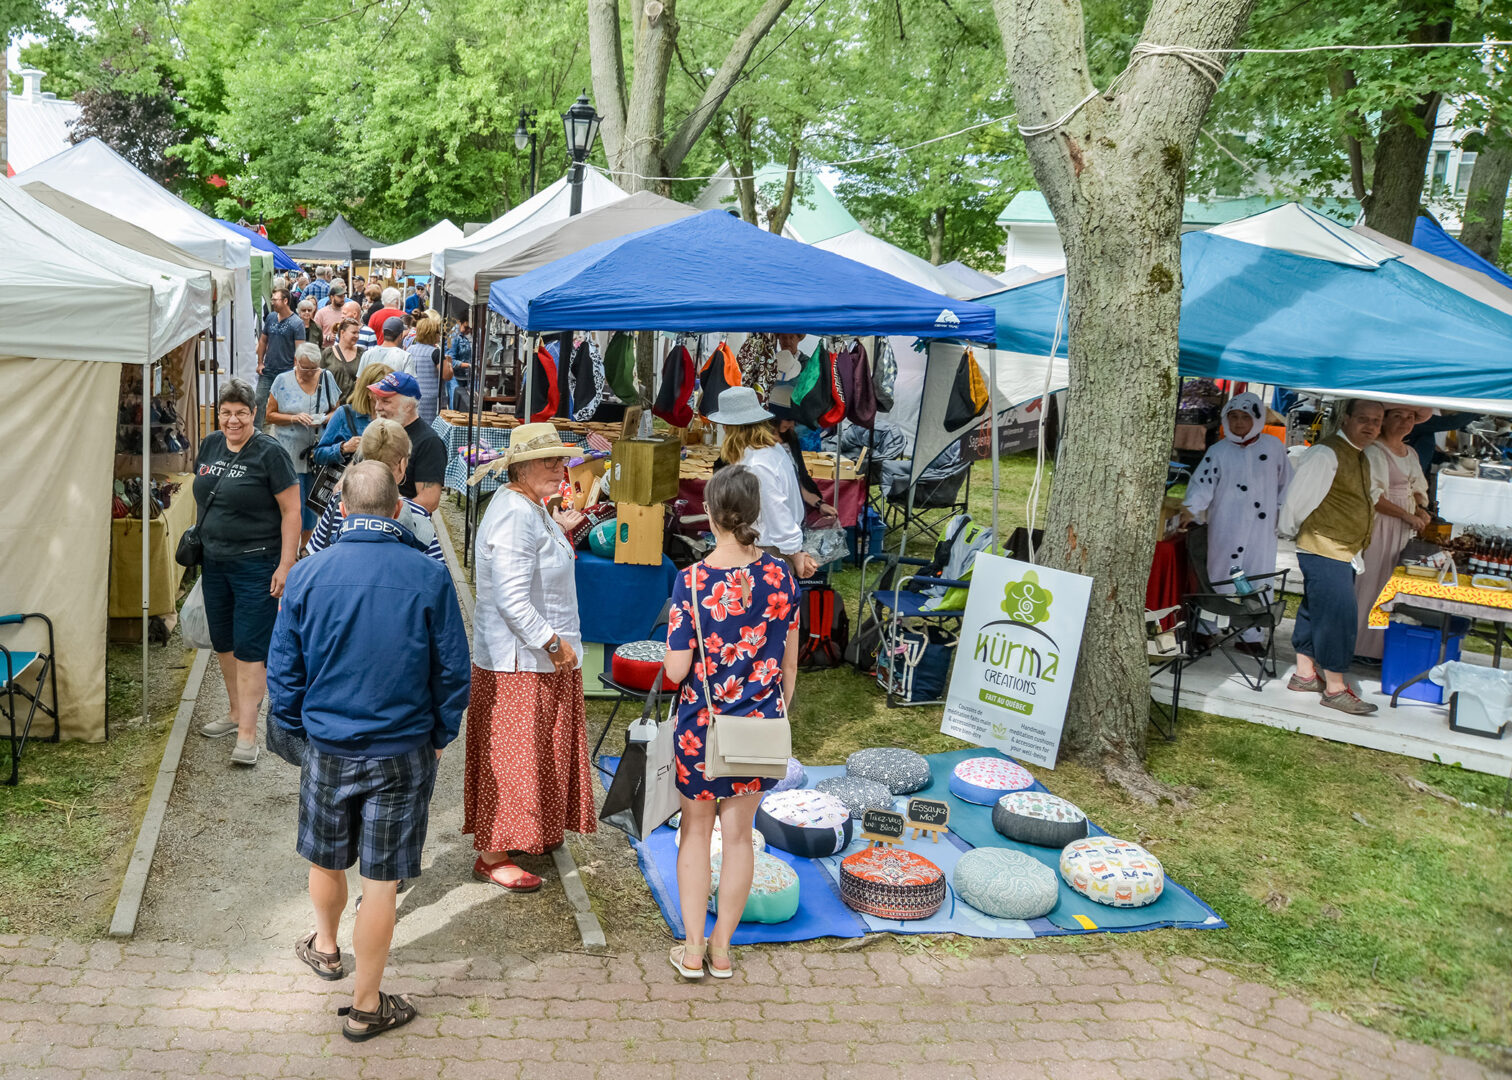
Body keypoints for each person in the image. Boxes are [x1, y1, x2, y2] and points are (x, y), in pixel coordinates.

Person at [268, 461, 469, 1042]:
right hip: (403, 746)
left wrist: (298, 731)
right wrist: (438, 735)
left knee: (326, 856)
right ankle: (365, 1005)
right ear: (397, 509)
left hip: (329, 744)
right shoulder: (428, 575)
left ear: (345, 509)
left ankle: (326, 948)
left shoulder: (307, 575)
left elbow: (284, 671)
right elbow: (453, 670)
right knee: (380, 880)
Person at [662, 465, 800, 979]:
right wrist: (772, 709)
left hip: (703, 724)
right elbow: (789, 666)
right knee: (739, 837)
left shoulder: (692, 581)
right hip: (760, 727)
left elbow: (677, 669)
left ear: (712, 515)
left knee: (695, 833)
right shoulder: (782, 576)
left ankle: (693, 949)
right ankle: (723, 950)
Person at [465, 422, 592, 892]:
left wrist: (557, 529)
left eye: (561, 460)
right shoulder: (517, 514)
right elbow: (513, 600)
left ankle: (521, 833)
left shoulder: (527, 506)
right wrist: (553, 644)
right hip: (521, 660)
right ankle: (493, 853)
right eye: (549, 462)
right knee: (513, 758)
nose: (560, 469)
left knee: (529, 754)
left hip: (530, 657)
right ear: (520, 467)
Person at [194, 379, 302, 765]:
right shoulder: (209, 444)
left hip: (257, 563)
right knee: (223, 642)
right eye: (226, 412)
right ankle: (235, 711)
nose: (233, 420)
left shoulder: (269, 453)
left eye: (241, 412)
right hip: (215, 562)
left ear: (254, 413)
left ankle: (248, 734)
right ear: (218, 413)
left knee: (251, 649)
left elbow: (292, 511)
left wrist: (286, 563)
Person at [1278, 398, 1386, 715]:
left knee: (1315, 609)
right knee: (1339, 616)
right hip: (1323, 547)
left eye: (1376, 421)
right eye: (1363, 418)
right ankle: (1336, 688)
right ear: (1346, 419)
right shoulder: (1326, 453)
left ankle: (1305, 674)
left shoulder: (1360, 455)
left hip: (1341, 549)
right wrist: (1299, 532)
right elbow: (1297, 502)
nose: (1370, 426)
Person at [1179, 392, 1293, 652]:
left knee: (1257, 576)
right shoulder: (1218, 451)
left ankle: (1250, 636)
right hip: (1226, 525)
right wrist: (1191, 509)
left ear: (1256, 418)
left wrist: (1282, 513)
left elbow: (1287, 483)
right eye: (1233, 417)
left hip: (1261, 530)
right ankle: (1206, 629)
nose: (1239, 423)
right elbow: (1202, 485)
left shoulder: (1273, 447)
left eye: (1245, 417)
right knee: (1219, 576)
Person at [709, 386, 818, 578]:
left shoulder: (758, 464)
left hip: (767, 552)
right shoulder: (767, 451)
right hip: (768, 549)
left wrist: (795, 554)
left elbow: (776, 510)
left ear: (728, 427)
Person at [1353, 406, 1432, 663]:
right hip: (1381, 525)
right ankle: (1360, 646)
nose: (1405, 422)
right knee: (1372, 583)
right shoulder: (1375, 451)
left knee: (1391, 586)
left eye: (1410, 417)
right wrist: (1406, 514)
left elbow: (1417, 488)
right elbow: (1373, 496)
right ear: (1385, 420)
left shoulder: (1410, 453)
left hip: (1402, 528)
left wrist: (1420, 510)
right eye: (1398, 416)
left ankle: (1382, 646)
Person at [307, 419, 444, 563]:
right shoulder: (416, 514)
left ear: (362, 458)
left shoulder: (339, 502)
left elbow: (315, 554)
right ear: (402, 465)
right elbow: (437, 571)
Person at [268, 342, 342, 548]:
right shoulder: (281, 381)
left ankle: (305, 548)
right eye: (305, 367)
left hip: (318, 454)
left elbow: (337, 410)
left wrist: (325, 419)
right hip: (290, 454)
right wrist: (293, 418)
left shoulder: (326, 377)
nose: (310, 372)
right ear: (296, 362)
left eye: (314, 368)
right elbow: (269, 415)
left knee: (314, 505)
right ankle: (289, 548)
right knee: (294, 505)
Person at [368, 372, 446, 513]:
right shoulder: (380, 430)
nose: (377, 407)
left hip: (401, 528)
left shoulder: (429, 442)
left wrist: (386, 513)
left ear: (408, 405)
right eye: (377, 400)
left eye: (385, 401)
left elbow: (429, 501)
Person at [764, 384, 835, 520]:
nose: (792, 425)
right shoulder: (758, 447)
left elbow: (798, 482)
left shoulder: (791, 440)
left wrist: (820, 504)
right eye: (789, 419)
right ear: (775, 418)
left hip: (791, 515)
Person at [313, 361, 392, 470]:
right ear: (368, 391)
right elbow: (318, 455)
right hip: (349, 482)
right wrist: (343, 448)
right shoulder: (344, 414)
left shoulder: (393, 415)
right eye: (381, 389)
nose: (386, 393)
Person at [256, 287, 304, 429]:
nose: (272, 302)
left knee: (284, 405)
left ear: (285, 301)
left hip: (286, 371)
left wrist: (296, 370)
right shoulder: (270, 317)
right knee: (258, 400)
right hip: (268, 370)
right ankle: (256, 433)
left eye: (275, 300)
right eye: (272, 299)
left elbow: (299, 349)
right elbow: (263, 340)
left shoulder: (297, 323)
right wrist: (260, 363)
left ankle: (281, 431)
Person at [406, 311, 451, 425]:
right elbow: (446, 375)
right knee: (430, 427)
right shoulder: (435, 352)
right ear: (432, 334)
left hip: (413, 396)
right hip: (431, 399)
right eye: (438, 332)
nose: (440, 335)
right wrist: (448, 363)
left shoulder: (410, 349)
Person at [321, 317, 366, 403]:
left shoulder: (362, 353)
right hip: (332, 405)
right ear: (342, 333)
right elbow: (320, 379)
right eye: (353, 332)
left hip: (354, 406)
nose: (357, 336)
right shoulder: (328, 353)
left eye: (358, 333)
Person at [446, 313, 473, 410]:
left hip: (464, 377)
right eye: (466, 327)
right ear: (461, 323)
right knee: (455, 405)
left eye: (470, 329)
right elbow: (450, 360)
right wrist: (468, 365)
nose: (468, 331)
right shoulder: (454, 336)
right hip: (455, 377)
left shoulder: (464, 336)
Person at [312, 279, 346, 343]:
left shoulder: (347, 311)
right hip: (326, 349)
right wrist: (327, 337)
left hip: (343, 349)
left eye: (344, 296)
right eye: (340, 296)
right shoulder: (321, 313)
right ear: (332, 297)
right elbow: (314, 333)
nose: (343, 299)